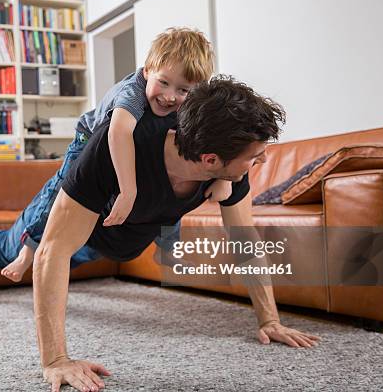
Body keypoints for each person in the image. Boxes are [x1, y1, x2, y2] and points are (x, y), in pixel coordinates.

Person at [25, 77, 321, 391]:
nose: (261, 160)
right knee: (4, 251)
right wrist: (55, 360)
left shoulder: (228, 174)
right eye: (253, 156)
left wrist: (270, 320)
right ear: (210, 160)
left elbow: (245, 242)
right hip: (86, 232)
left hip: (128, 241)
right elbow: (52, 250)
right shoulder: (113, 148)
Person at [0, 27, 231, 283]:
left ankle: (169, 249)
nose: (169, 96)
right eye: (163, 82)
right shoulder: (132, 93)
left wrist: (224, 177)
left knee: (171, 193)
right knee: (58, 194)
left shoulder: (187, 105)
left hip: (139, 148)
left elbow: (221, 138)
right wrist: (128, 191)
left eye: (183, 90)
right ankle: (28, 250)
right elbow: (119, 133)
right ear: (147, 71)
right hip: (90, 143)